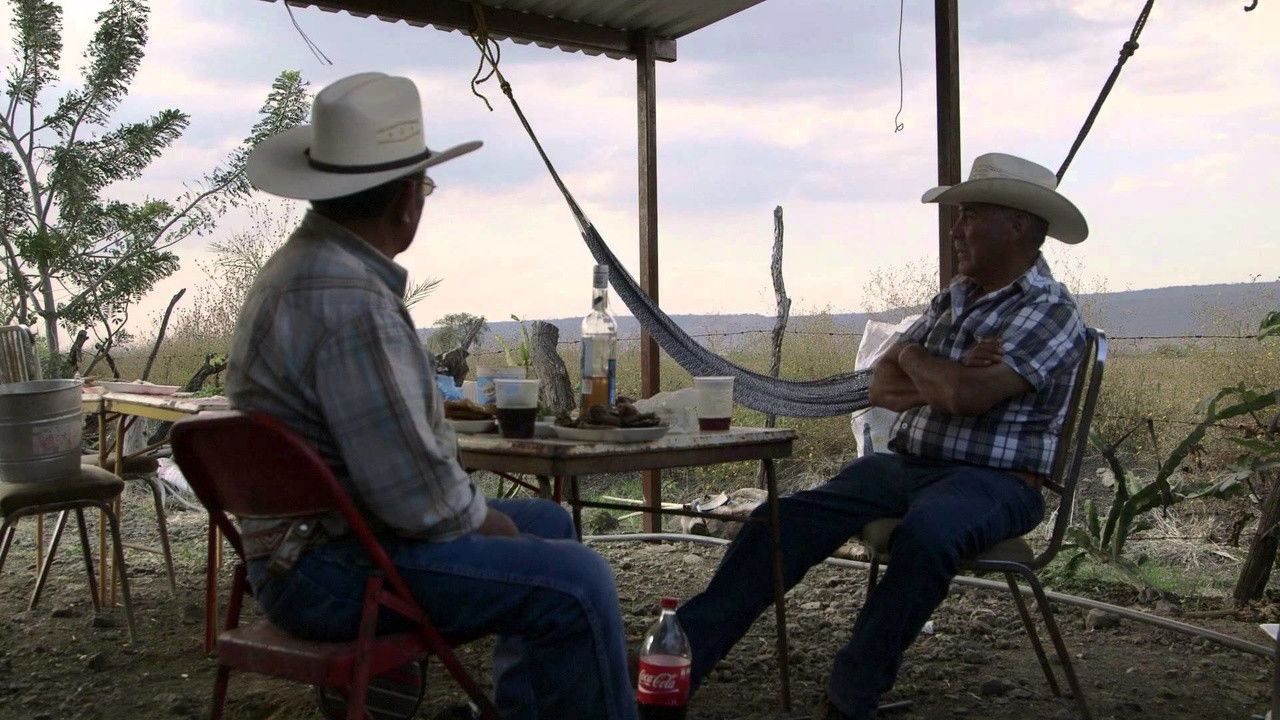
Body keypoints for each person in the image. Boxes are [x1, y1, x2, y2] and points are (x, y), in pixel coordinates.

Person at [227, 72, 637, 720]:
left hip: (301, 551)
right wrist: (487, 523)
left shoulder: (295, 271)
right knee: (580, 582)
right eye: (425, 188)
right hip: (326, 573)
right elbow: (414, 500)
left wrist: (489, 522)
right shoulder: (353, 302)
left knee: (552, 525)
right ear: (406, 203)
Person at [676, 153, 1089, 719]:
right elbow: (883, 384)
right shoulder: (953, 297)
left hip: (997, 482)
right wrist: (936, 368)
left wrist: (923, 363)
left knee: (928, 535)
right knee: (781, 520)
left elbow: (962, 397)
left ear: (1016, 224)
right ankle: (674, 667)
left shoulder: (1051, 311)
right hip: (908, 467)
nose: (956, 229)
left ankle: (850, 696)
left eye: (969, 215)